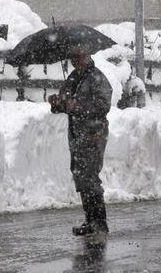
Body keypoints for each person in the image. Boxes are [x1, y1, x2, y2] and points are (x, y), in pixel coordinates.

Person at [48, 47, 112, 236]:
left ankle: (100, 223)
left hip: (94, 134)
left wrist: (78, 106)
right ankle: (90, 220)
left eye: (77, 57)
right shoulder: (74, 78)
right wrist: (57, 102)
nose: (74, 62)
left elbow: (103, 105)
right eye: (72, 58)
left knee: (90, 176)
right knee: (81, 176)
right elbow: (66, 104)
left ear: (86, 56)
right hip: (77, 135)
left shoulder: (96, 77)